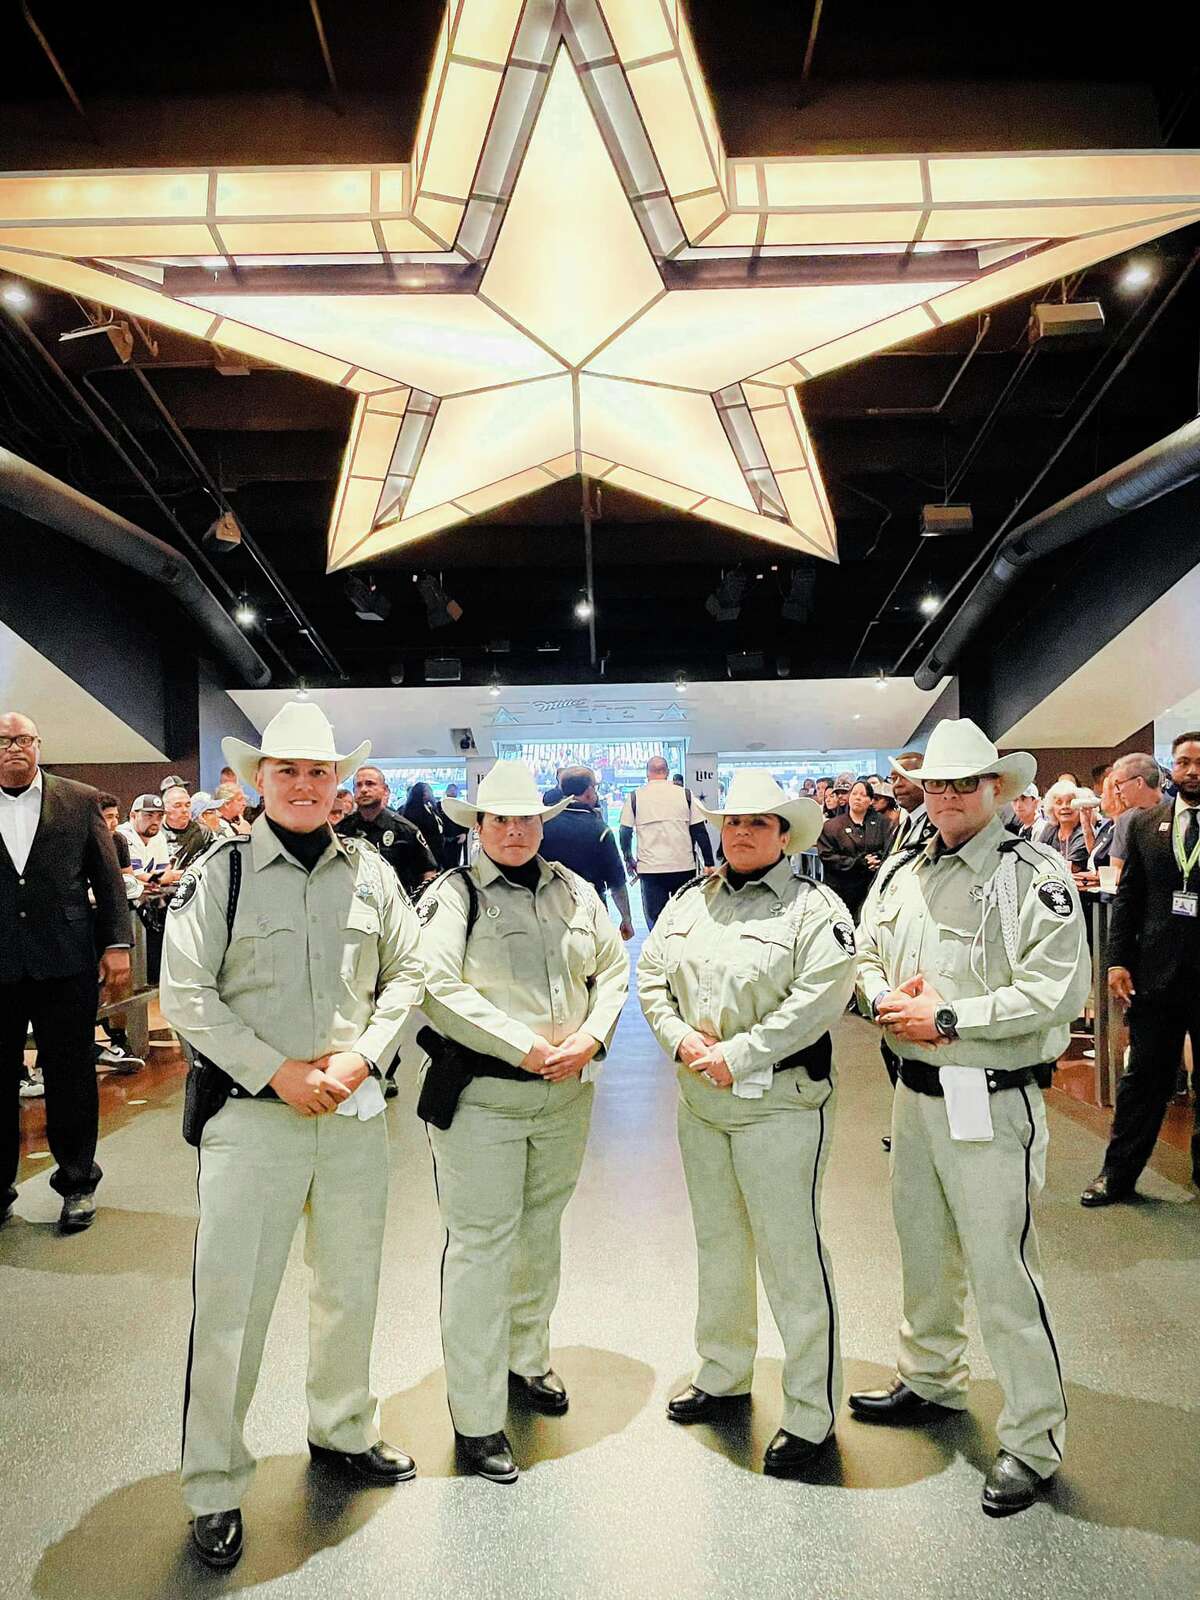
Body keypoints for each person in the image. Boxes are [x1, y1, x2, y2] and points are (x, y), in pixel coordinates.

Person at [159, 701, 424, 1571]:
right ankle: (213, 1484)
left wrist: (362, 1059)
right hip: (253, 1122)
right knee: (232, 1308)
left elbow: (409, 971)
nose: (305, 786)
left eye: (319, 772)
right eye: (287, 772)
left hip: (350, 1116)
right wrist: (278, 1072)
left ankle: (343, 1431)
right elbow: (187, 993)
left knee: (348, 1289)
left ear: (338, 783)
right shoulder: (221, 873)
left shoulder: (373, 874)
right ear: (257, 781)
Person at [853, 718, 1089, 1517]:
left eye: (963, 784)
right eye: (936, 785)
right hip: (913, 1095)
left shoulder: (1035, 873)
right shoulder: (901, 870)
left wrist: (951, 1016)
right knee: (924, 1251)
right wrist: (879, 995)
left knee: (1001, 1270)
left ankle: (1032, 1439)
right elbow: (865, 955)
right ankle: (932, 1378)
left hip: (990, 1096)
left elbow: (1057, 992)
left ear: (997, 788)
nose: (946, 798)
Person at [637, 773, 855, 1475]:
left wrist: (738, 1054)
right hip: (703, 1101)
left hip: (779, 1104)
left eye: (759, 824)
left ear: (785, 835)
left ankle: (812, 1413)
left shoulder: (815, 909)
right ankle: (724, 1373)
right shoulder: (689, 901)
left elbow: (820, 998)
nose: (743, 833)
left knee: (791, 1255)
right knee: (720, 1242)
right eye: (733, 822)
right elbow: (651, 978)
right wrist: (681, 1041)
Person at [417, 762, 629, 1484]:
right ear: (476, 826)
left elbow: (614, 969)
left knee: (540, 1232)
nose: (514, 831)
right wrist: (525, 1046)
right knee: (480, 1247)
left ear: (543, 823)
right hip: (483, 1098)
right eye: (499, 819)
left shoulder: (573, 888)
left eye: (526, 819)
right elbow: (435, 987)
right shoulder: (452, 896)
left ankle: (526, 1360)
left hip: (565, 1095)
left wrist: (591, 1037)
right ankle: (475, 1417)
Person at [0, 711, 131, 1232]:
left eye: (25, 739)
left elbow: (109, 879)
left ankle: (77, 1184)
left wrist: (117, 944)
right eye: (6, 740)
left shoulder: (79, 800)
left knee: (71, 1076)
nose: (16, 747)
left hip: (66, 959)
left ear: (39, 744)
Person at [1081, 731, 1200, 1206]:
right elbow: (1129, 899)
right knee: (1142, 1081)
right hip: (1155, 976)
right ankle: (1117, 1175)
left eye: (1199, 761)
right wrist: (1116, 962)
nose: (1192, 770)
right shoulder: (1146, 824)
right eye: (1184, 761)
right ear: (1171, 768)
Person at [539, 766, 634, 940]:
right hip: (591, 911)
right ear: (589, 791)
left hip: (549, 910)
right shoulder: (600, 830)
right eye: (595, 788)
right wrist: (626, 918)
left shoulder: (541, 826)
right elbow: (616, 882)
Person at [620, 756, 714, 930]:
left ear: (647, 773)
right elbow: (700, 831)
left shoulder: (635, 797)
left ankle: (660, 953)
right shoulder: (685, 795)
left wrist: (628, 858)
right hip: (683, 867)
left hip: (651, 870)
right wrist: (709, 863)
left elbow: (625, 832)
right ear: (667, 773)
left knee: (656, 919)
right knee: (685, 915)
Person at [337, 765, 437, 897]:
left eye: (370, 784)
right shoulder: (342, 829)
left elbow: (428, 871)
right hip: (354, 904)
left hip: (398, 905)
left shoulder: (405, 830)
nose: (364, 790)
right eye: (358, 785)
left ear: (385, 790)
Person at [816, 779, 888, 921]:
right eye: (854, 793)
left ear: (870, 800)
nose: (858, 797)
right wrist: (859, 863)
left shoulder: (883, 823)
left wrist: (875, 859)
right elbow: (827, 855)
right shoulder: (832, 826)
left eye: (863, 794)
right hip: (842, 889)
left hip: (872, 889)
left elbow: (889, 848)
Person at [1107, 752, 1163, 882]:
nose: (1117, 791)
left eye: (1119, 784)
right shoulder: (1125, 820)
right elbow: (1116, 872)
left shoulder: (1178, 813)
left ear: (1139, 782)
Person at [1037, 781, 1090, 872]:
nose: (1064, 807)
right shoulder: (1050, 828)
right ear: (1052, 808)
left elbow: (1072, 868)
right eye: (1059, 802)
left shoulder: (1084, 832)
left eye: (1070, 802)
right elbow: (1036, 857)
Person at [162, 783, 208, 867]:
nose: (184, 810)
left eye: (188, 805)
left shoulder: (202, 832)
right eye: (178, 805)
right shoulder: (154, 832)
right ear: (165, 809)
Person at [403, 780, 444, 862]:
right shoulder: (412, 810)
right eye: (427, 791)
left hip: (436, 848)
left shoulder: (430, 807)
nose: (430, 793)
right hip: (424, 850)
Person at [437, 783, 470, 868]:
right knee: (443, 864)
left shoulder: (461, 806)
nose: (452, 792)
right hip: (442, 839)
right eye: (450, 790)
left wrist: (464, 833)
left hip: (457, 837)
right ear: (446, 791)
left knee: (455, 863)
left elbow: (466, 820)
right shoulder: (439, 806)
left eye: (454, 790)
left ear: (457, 792)